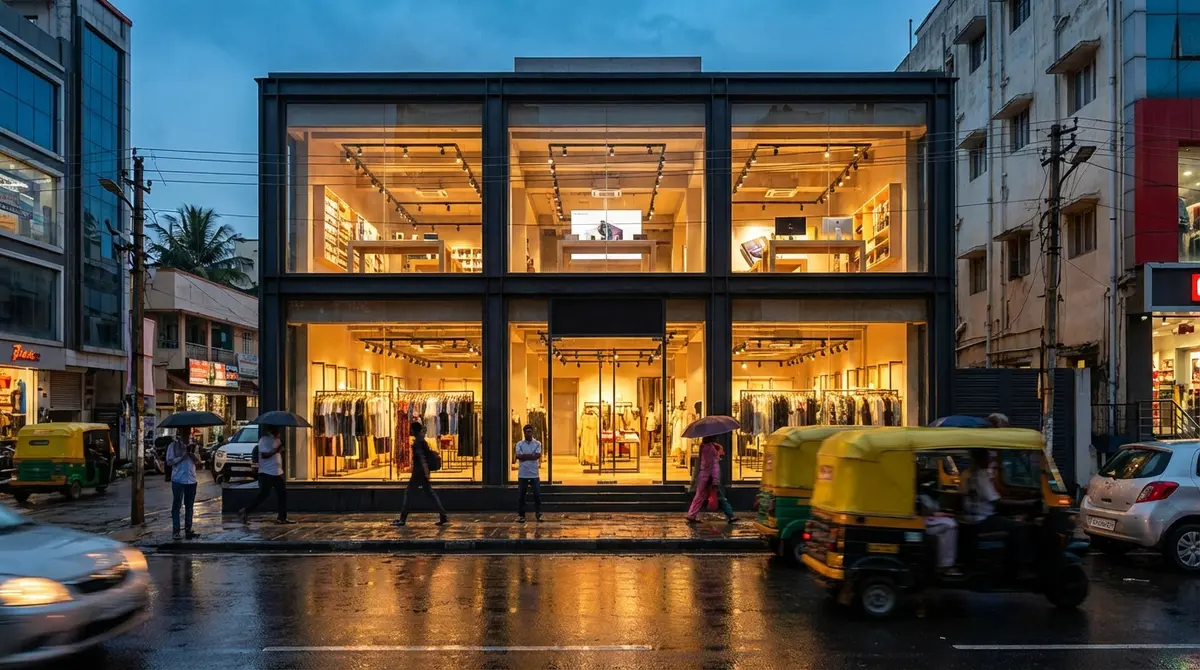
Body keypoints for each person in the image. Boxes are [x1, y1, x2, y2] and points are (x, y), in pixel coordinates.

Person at [964, 449, 1035, 575]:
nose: (991, 461)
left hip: (976, 517)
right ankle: (1014, 567)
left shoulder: (971, 473)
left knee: (1012, 521)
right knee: (1021, 527)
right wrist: (1026, 503)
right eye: (988, 458)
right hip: (983, 520)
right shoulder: (981, 476)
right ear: (981, 459)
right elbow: (997, 501)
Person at [396, 422, 449, 527]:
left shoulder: (418, 442)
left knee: (409, 494)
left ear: (414, 430)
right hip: (421, 472)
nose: (409, 431)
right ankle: (443, 515)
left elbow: (422, 458)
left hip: (418, 473)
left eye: (411, 429)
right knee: (430, 494)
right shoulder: (421, 440)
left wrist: (425, 472)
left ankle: (403, 518)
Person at [239, 425, 294, 525]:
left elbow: (278, 453)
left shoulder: (278, 441)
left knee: (282, 493)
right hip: (266, 472)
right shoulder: (264, 440)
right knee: (264, 494)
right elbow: (264, 455)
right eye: (278, 431)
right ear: (274, 431)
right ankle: (246, 511)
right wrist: (275, 450)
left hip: (277, 472)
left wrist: (280, 450)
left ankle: (282, 518)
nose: (279, 434)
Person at [686, 439, 734, 523]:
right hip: (711, 479)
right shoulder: (713, 450)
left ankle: (691, 514)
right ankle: (730, 516)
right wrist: (715, 481)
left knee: (698, 497)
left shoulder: (703, 448)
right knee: (721, 498)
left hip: (703, 477)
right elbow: (715, 469)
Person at [166, 428, 201, 540]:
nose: (186, 436)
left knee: (189, 506)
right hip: (178, 479)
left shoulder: (194, 446)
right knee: (177, 505)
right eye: (184, 433)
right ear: (179, 434)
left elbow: (198, 461)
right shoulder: (173, 446)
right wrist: (182, 456)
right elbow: (169, 461)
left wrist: (192, 455)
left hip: (191, 479)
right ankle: (176, 531)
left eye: (188, 434)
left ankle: (188, 530)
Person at [918, 480, 959, 575]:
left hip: (928, 520)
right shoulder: (922, 497)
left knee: (951, 522)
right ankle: (945, 565)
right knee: (950, 526)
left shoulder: (928, 497)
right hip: (924, 525)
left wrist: (945, 514)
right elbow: (926, 512)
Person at [513, 424, 543, 522]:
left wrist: (524, 456)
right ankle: (521, 515)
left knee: (537, 495)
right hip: (523, 474)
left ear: (532, 432)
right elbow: (518, 456)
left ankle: (538, 514)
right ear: (524, 433)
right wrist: (531, 456)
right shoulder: (519, 444)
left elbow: (538, 455)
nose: (528, 434)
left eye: (530, 432)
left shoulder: (537, 443)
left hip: (534, 474)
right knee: (521, 495)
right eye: (526, 432)